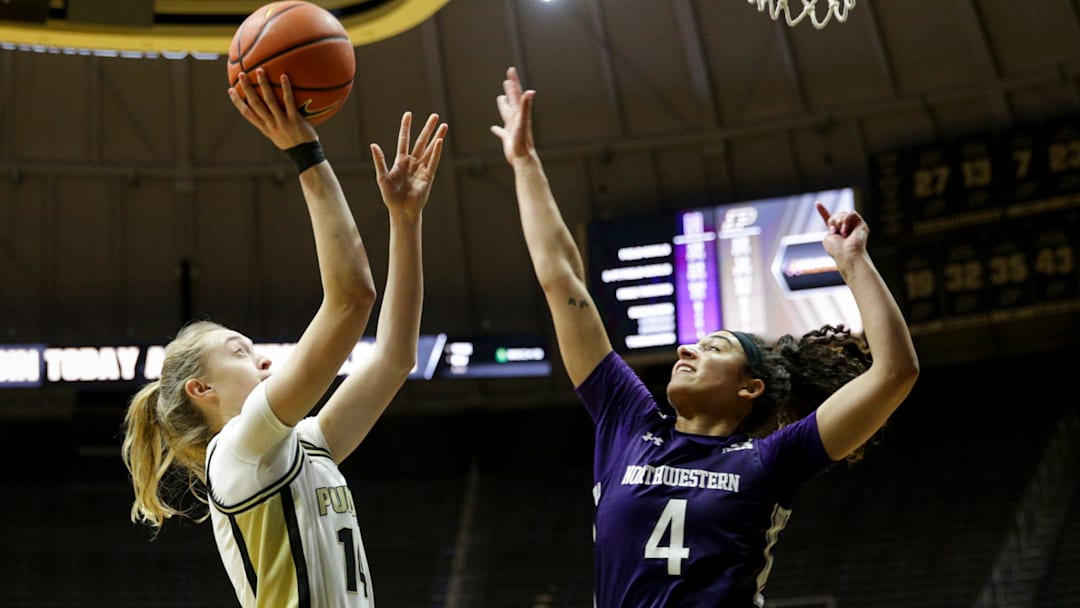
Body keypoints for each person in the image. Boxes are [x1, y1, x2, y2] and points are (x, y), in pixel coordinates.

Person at [490, 66, 919, 607]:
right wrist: (525, 164)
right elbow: (562, 281)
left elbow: (896, 372)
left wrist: (853, 263)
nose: (685, 348)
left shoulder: (771, 460)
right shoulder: (629, 422)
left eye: (714, 346)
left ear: (750, 388)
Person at [121, 67, 447, 607]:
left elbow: (394, 358)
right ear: (200, 389)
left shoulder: (304, 445)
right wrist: (306, 154)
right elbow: (351, 301)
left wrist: (405, 221)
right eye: (240, 352)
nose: (265, 361)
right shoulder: (237, 453)